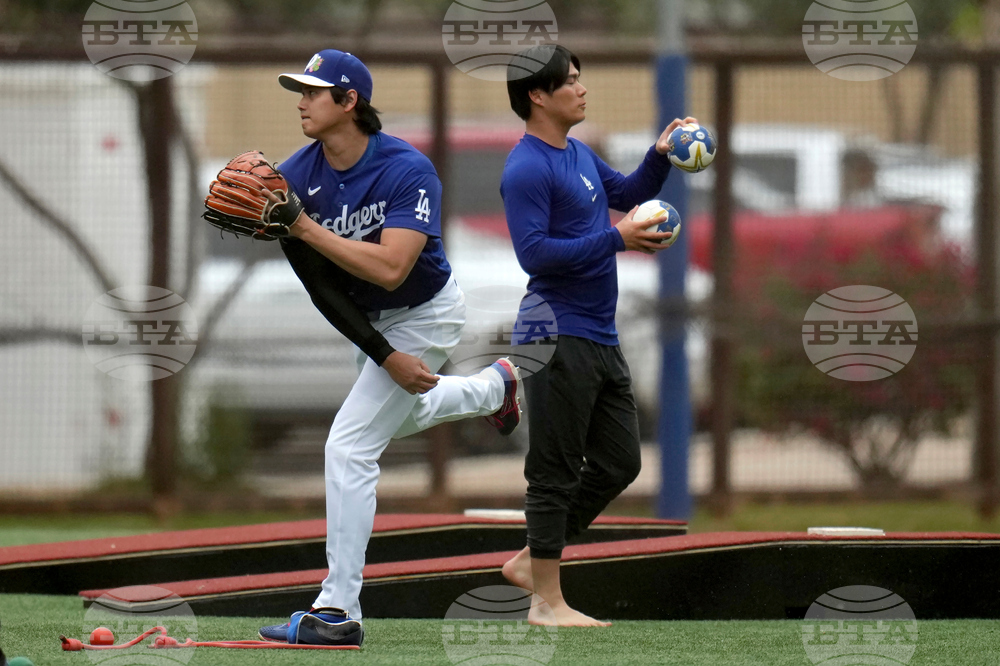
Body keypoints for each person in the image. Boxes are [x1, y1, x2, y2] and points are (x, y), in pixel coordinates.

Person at [255, 49, 522, 647]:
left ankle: (337, 611)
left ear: (349, 101)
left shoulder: (406, 168)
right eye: (300, 91)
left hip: (428, 311)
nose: (301, 102)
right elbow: (323, 288)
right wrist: (383, 354)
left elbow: (393, 268)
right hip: (376, 323)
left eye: (313, 91)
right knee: (404, 414)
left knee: (350, 445)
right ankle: (494, 387)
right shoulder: (292, 179)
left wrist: (303, 227)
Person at [498, 44, 698, 627]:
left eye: (580, 78)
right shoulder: (526, 167)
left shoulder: (578, 153)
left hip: (599, 335)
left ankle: (530, 562)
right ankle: (546, 603)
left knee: (619, 462)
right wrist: (617, 239)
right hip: (554, 333)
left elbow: (630, 195)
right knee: (553, 472)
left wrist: (659, 156)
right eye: (570, 81)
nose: (582, 88)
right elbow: (534, 254)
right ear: (537, 96)